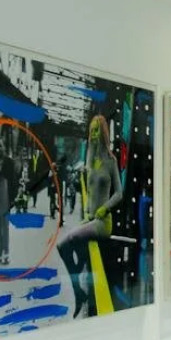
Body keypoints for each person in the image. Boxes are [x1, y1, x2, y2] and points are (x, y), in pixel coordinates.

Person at [57, 115, 123, 317]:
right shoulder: (89, 159)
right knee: (62, 245)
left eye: (96, 130)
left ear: (103, 133)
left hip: (103, 222)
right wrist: (87, 211)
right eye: (91, 131)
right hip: (91, 219)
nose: (93, 135)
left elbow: (119, 193)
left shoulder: (111, 161)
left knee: (70, 239)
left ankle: (80, 288)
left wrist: (105, 208)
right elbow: (88, 188)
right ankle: (79, 291)